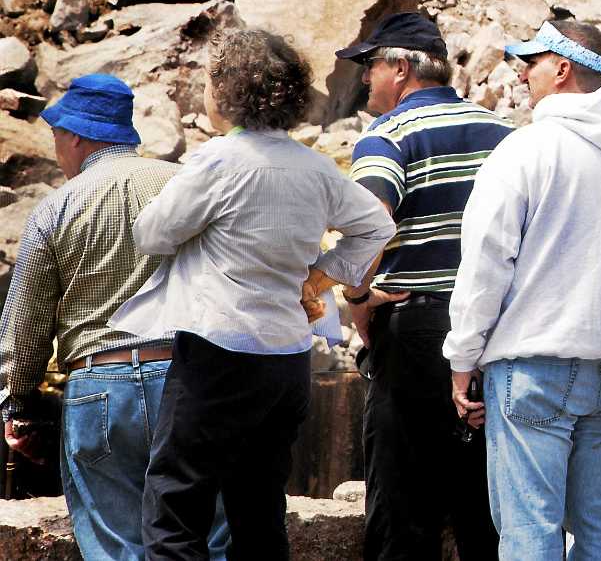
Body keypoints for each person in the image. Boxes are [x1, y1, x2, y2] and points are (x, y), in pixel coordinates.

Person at [113, 28, 395, 561]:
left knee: (176, 506)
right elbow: (375, 229)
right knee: (259, 510)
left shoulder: (219, 161)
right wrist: (318, 278)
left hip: (217, 350)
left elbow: (151, 234)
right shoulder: (316, 168)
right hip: (287, 358)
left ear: (228, 92)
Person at [443, 20, 601, 561]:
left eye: (529, 63)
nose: (521, 75)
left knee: (530, 529)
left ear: (561, 68)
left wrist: (463, 357)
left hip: (531, 371)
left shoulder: (521, 152)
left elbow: (485, 265)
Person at [0, 75, 224, 561]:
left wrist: (16, 405)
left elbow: (26, 325)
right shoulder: (185, 184)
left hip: (99, 389)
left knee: (116, 548)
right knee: (206, 539)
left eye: (57, 135)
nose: (56, 147)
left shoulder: (54, 209)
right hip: (189, 377)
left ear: (77, 137)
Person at [338, 11, 514, 561]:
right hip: (498, 332)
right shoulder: (505, 136)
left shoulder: (387, 137)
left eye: (370, 65)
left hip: (416, 330)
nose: (365, 79)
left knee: (402, 509)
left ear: (399, 68)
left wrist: (357, 297)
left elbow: (369, 223)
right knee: (485, 509)